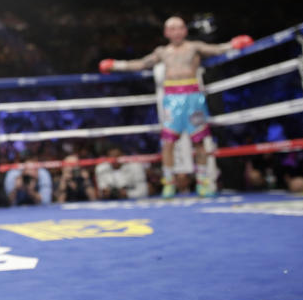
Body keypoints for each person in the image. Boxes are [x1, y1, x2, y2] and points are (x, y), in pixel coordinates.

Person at [100, 16, 253, 197]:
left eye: (179, 28)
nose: (176, 32)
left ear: (185, 30)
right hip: (171, 99)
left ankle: (203, 182)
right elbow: (142, 63)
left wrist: (234, 44)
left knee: (199, 141)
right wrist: (116, 65)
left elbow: (216, 50)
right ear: (166, 33)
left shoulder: (194, 46)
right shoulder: (162, 52)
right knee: (168, 143)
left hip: (193, 97)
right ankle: (169, 183)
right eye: (172, 29)